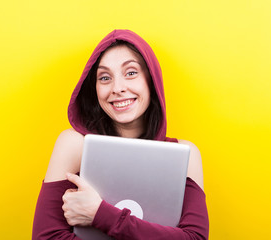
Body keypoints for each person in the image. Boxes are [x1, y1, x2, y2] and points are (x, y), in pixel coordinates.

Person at [32, 29, 209, 239]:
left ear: (151, 81)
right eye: (105, 77)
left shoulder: (185, 154)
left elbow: (195, 238)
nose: (117, 88)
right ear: (95, 90)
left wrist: (99, 214)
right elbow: (46, 237)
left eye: (131, 73)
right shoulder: (75, 144)